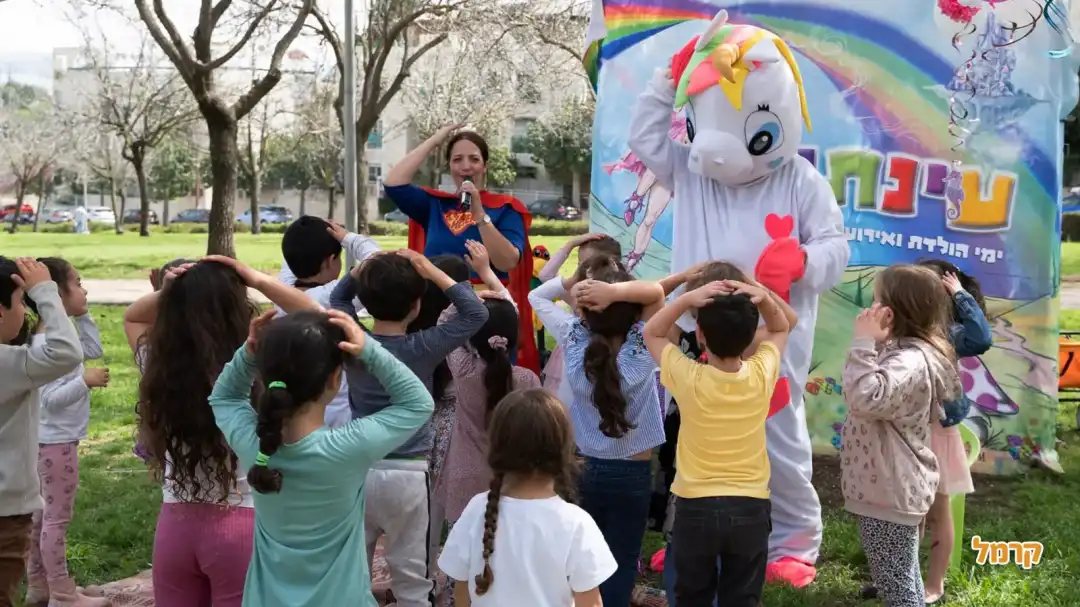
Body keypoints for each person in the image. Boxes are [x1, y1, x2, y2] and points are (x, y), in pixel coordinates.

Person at [124, 256, 320, 607]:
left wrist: (171, 292)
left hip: (175, 527)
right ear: (239, 307)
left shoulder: (158, 365)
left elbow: (134, 316)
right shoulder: (265, 366)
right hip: (243, 524)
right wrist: (257, 278)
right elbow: (319, 316)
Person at [208, 307, 434, 606]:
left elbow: (224, 397)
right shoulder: (347, 448)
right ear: (335, 379)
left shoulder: (255, 445)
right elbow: (417, 404)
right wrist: (370, 351)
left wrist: (247, 355)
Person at [330, 250, 488, 607]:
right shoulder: (425, 345)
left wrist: (359, 270)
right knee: (414, 579)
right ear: (417, 305)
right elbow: (476, 313)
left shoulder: (354, 341)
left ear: (366, 302)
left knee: (352, 572)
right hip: (410, 474)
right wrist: (433, 271)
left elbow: (339, 297)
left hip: (359, 471)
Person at [643, 278, 792, 606]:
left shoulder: (689, 377)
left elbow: (652, 332)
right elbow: (781, 328)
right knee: (742, 598)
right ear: (752, 338)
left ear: (700, 335)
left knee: (691, 597)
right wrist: (765, 296)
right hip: (751, 506)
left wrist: (685, 300)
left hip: (694, 507)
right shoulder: (761, 372)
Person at [528, 256, 666, 607]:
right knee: (619, 562)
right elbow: (656, 294)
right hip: (634, 474)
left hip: (585, 467)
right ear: (635, 314)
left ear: (585, 314)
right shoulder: (644, 342)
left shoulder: (575, 340)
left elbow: (538, 297)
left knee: (581, 562)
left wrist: (574, 280)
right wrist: (615, 290)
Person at [841, 264, 962, 607]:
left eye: (876, 301)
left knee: (899, 590)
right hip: (889, 488)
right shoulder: (904, 352)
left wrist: (863, 342)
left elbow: (865, 397)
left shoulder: (908, 361)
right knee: (900, 579)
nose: (870, 309)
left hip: (889, 493)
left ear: (890, 311)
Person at [437, 388, 617, 606]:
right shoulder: (576, 523)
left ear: (496, 447)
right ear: (564, 450)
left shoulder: (477, 509)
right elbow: (591, 603)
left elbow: (462, 591)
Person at [383, 125, 538, 372]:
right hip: (435, 311)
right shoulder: (435, 205)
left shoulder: (506, 209)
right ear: (450, 167)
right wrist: (434, 139)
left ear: (484, 166)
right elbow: (394, 184)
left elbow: (508, 261)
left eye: (474, 159)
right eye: (457, 159)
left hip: (485, 313)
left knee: (485, 381)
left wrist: (479, 214)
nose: (466, 166)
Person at [436, 242, 541, 526]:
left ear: (470, 335)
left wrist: (472, 298)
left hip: (465, 476)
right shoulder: (527, 380)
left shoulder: (463, 369)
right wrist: (500, 299)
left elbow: (443, 325)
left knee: (465, 557)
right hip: (514, 479)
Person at [0, 257, 84, 606]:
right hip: (4, 516)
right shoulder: (7, 365)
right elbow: (67, 353)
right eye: (21, 303)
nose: (26, 312)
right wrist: (45, 291)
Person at [25, 258, 109, 607]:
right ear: (56, 294)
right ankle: (62, 594)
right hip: (55, 445)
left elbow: (93, 350)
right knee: (56, 520)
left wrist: (82, 314)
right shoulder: (47, 346)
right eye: (77, 282)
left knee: (41, 518)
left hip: (48, 443)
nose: (84, 288)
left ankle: (39, 587)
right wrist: (83, 382)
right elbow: (49, 401)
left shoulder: (58, 337)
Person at [915, 260, 988, 604]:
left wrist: (960, 295)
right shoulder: (901, 327)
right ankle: (904, 580)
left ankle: (934, 585)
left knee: (938, 513)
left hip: (938, 435)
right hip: (905, 436)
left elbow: (981, 338)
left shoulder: (949, 332)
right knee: (907, 515)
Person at [276, 216, 381, 428]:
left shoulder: (281, 294)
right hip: (337, 419)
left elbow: (293, 256)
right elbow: (379, 264)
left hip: (292, 418)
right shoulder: (333, 298)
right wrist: (347, 237)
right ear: (329, 261)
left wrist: (309, 231)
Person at [535, 233, 622, 405]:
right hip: (573, 361)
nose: (583, 270)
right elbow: (545, 276)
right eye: (579, 264)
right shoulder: (576, 291)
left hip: (610, 360)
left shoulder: (624, 293)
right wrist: (570, 245)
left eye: (588, 265)